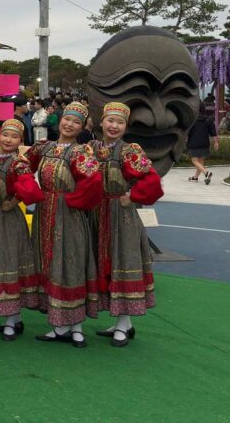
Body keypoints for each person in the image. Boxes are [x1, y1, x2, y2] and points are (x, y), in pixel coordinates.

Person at [26, 102, 103, 348]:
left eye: (76, 122)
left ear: (82, 127)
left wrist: (74, 201)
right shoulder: (44, 147)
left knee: (71, 263)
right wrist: (27, 191)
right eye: (67, 119)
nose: (69, 124)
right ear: (60, 120)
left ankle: (76, 326)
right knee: (50, 262)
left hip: (69, 214)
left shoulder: (81, 152)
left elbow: (94, 181)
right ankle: (60, 325)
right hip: (44, 212)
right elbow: (20, 167)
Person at [89, 103, 164, 347]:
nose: (114, 126)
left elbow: (152, 181)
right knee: (105, 265)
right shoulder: (91, 148)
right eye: (110, 121)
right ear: (102, 122)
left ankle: (122, 324)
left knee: (122, 263)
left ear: (125, 126)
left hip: (121, 217)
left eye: (119, 122)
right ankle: (125, 324)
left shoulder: (130, 150)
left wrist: (132, 196)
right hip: (95, 214)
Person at [0, 119, 44, 341]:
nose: (8, 140)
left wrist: (15, 200)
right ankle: (14, 319)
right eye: (5, 135)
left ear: (21, 140)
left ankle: (11, 321)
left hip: (8, 218)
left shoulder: (19, 162)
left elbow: (29, 187)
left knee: (9, 264)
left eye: (14, 136)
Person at [186, 112, 219, 183]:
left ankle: (206, 173)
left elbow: (186, 132)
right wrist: (216, 142)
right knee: (200, 161)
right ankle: (195, 178)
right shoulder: (209, 120)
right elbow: (213, 132)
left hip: (194, 143)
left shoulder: (191, 120)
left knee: (194, 160)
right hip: (204, 143)